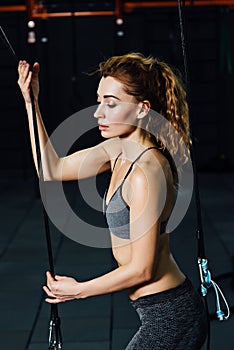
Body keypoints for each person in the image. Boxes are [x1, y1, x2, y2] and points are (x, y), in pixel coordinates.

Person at [18, 52, 207, 349]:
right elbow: (49, 168)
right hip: (152, 311)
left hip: (171, 315)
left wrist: (78, 291)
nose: (98, 113)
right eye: (99, 101)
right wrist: (32, 103)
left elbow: (142, 269)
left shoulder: (146, 172)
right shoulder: (116, 150)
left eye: (111, 103)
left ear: (143, 109)